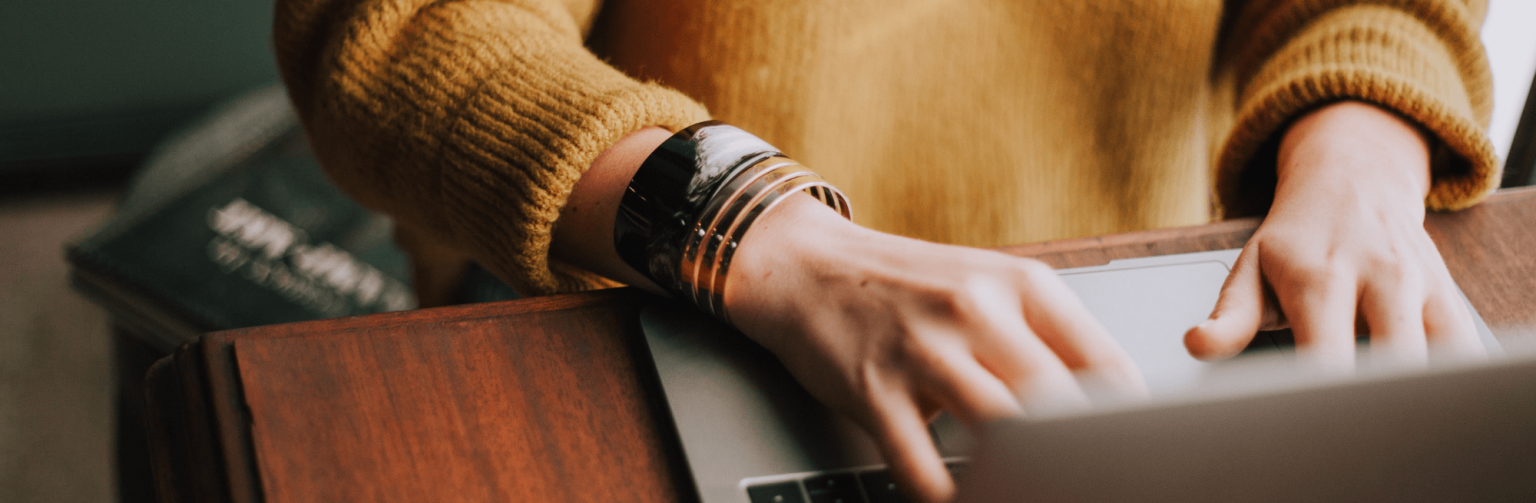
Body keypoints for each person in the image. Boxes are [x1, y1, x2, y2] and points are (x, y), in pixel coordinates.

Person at [273, 1, 1499, 500]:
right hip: (660, 304)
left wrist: (1363, 142)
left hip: (1142, 320)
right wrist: (755, 231)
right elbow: (394, 33)